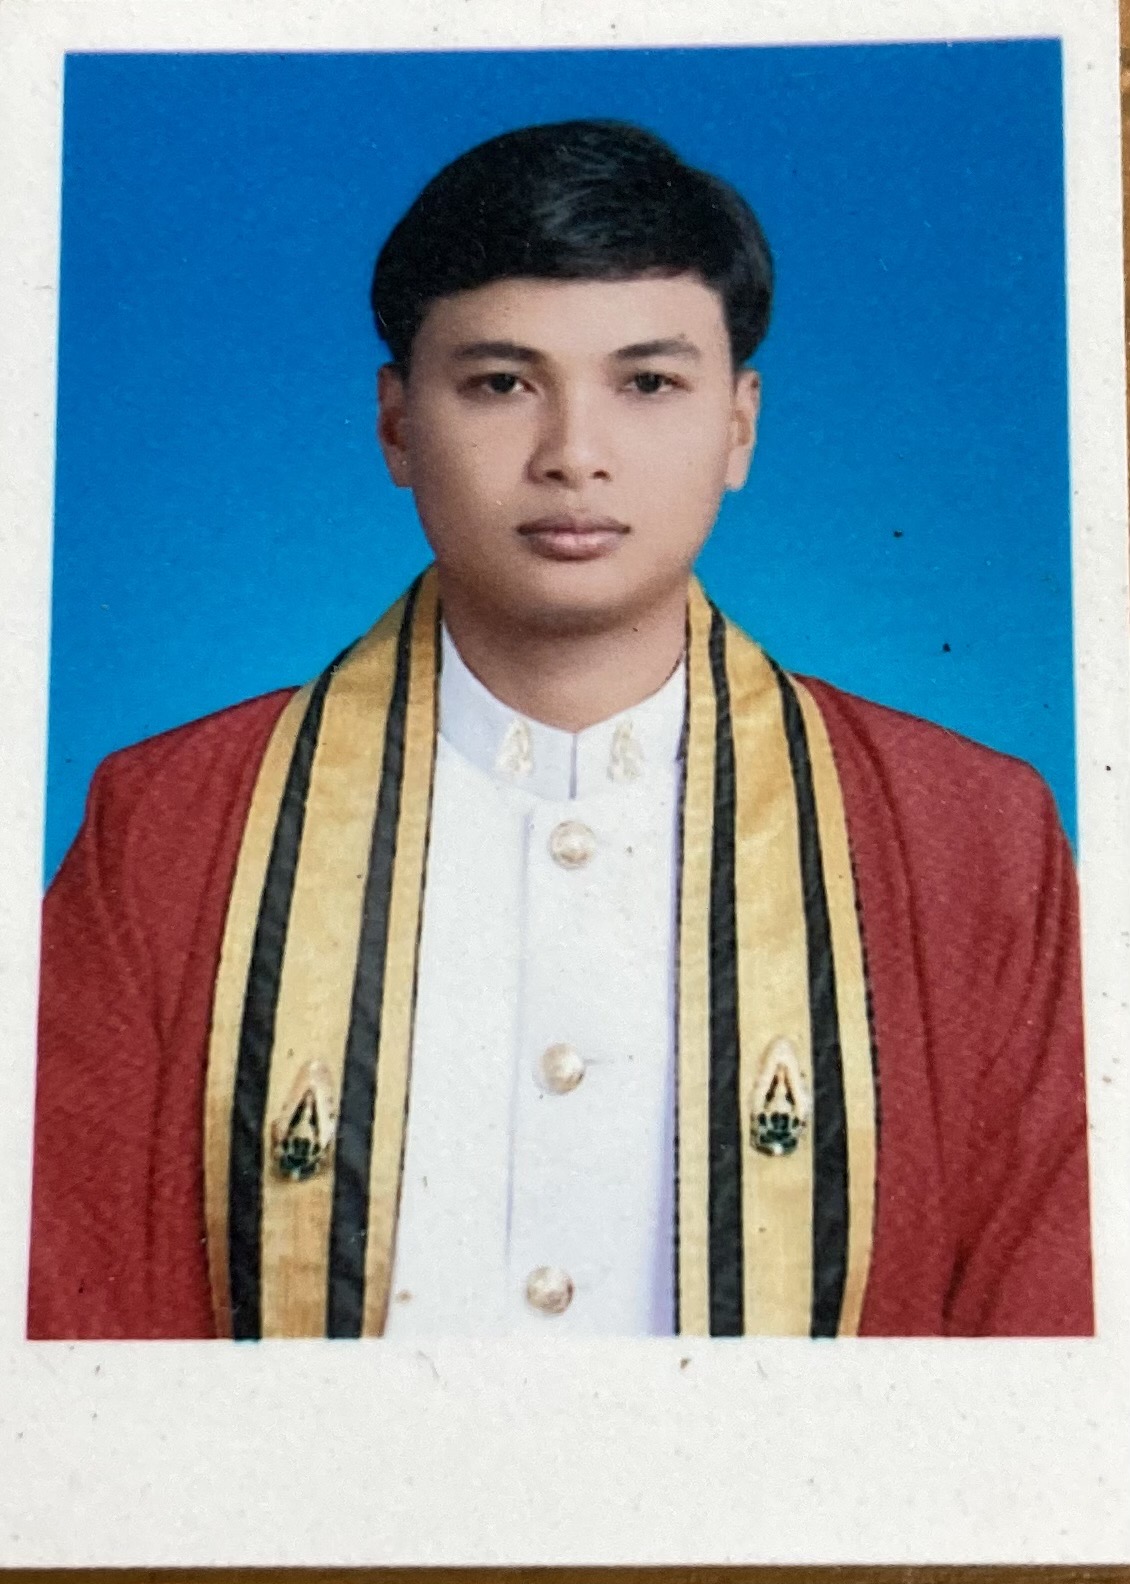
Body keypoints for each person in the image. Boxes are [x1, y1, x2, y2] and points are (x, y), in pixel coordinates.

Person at [28, 119, 1092, 1342]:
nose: (573, 457)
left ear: (739, 425)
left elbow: (1050, 1350)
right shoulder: (171, 824)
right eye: (501, 383)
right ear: (394, 423)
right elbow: (64, 1335)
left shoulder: (966, 837)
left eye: (647, 384)